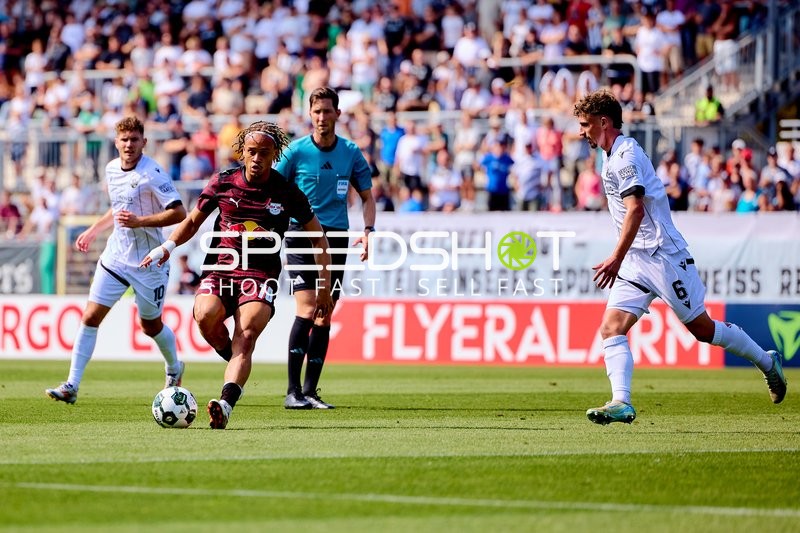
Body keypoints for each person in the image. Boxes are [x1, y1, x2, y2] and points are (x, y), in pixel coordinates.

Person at [573, 90, 787, 425]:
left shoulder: (626, 156)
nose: (580, 131)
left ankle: (766, 361)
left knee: (701, 329)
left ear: (604, 122)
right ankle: (621, 402)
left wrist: (615, 256)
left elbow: (636, 211)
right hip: (636, 260)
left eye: (585, 124)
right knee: (611, 327)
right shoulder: (608, 153)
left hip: (663, 255)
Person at [140, 121, 334, 429]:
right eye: (252, 152)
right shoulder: (223, 182)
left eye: (265, 153)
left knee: (246, 335)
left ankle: (226, 404)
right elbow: (192, 222)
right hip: (221, 268)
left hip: (260, 275)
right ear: (242, 152)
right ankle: (235, 359)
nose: (258, 159)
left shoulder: (286, 191)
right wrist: (167, 247)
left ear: (275, 156)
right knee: (204, 316)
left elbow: (319, 238)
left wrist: (323, 287)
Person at [46, 116, 187, 404]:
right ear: (116, 142)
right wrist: (93, 229)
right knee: (90, 316)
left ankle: (174, 367)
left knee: (150, 326)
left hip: (149, 263)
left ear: (143, 143)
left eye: (135, 139)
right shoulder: (111, 169)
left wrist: (140, 222)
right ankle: (71, 385)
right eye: (124, 139)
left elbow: (179, 213)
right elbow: (118, 209)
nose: (129, 144)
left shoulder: (153, 174)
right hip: (116, 257)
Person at [275, 87, 376, 410]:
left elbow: (368, 197)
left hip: (335, 238)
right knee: (306, 308)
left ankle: (310, 391)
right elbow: (273, 189)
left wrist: (369, 230)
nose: (322, 118)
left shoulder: (350, 152)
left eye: (327, 111)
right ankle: (292, 392)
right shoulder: (296, 151)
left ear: (337, 114)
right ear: (310, 115)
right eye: (316, 112)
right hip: (301, 233)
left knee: (325, 313)